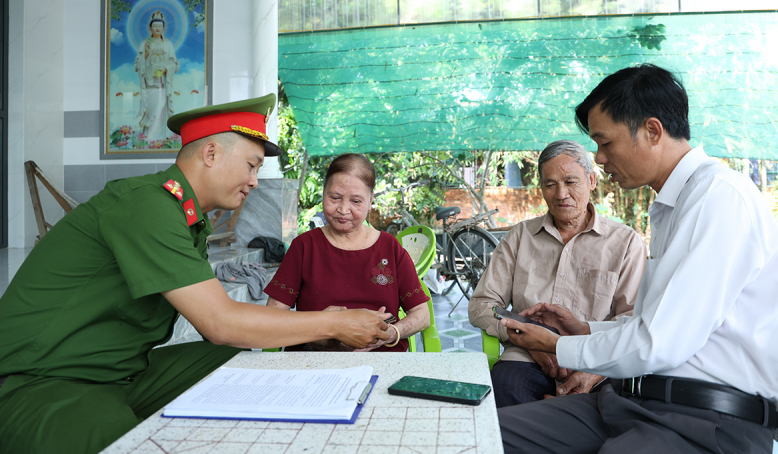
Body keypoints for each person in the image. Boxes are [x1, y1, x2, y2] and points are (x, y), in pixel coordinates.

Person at [0, 94, 391, 454]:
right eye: (251, 166)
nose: (255, 181)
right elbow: (220, 321)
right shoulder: (145, 205)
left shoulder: (188, 221)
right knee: (119, 439)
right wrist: (332, 324)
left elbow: (220, 328)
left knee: (234, 364)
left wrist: (318, 331)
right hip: (43, 379)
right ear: (211, 153)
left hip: (122, 374)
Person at [497, 64, 778, 454]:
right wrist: (584, 329)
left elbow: (659, 342)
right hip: (632, 402)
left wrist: (557, 345)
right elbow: (652, 325)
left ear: (652, 131)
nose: (599, 158)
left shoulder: (718, 198)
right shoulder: (673, 207)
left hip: (703, 421)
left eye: (605, 143)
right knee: (483, 432)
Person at [468, 140, 645, 407]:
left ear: (591, 180)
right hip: (527, 358)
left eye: (570, 182)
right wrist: (530, 343)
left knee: (617, 409)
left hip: (596, 361)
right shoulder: (521, 237)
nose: (561, 194)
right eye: (550, 184)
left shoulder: (625, 243)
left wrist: (594, 372)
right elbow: (482, 305)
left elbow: (634, 321)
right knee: (504, 391)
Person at [265, 154, 430, 352]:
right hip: (314, 360)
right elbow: (272, 317)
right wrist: (322, 326)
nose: (343, 209)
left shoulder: (390, 248)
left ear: (370, 201)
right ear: (323, 193)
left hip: (382, 359)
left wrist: (391, 334)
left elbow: (422, 314)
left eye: (356, 201)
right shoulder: (304, 246)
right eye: (335, 198)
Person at [135, 10, 179, 144]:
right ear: (150, 28)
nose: (157, 28)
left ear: (163, 28)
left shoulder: (168, 44)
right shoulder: (145, 43)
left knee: (160, 111)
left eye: (160, 26)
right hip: (150, 84)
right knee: (151, 111)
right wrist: (146, 54)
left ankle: (160, 138)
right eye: (155, 26)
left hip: (162, 83)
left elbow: (174, 64)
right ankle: (149, 138)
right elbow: (137, 65)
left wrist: (166, 68)